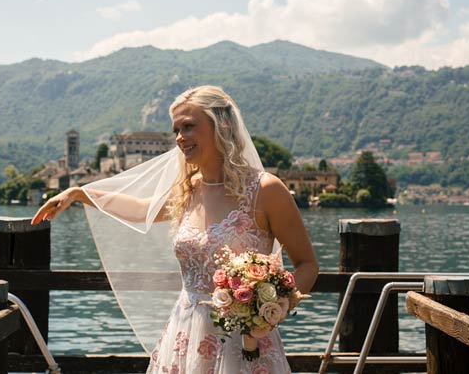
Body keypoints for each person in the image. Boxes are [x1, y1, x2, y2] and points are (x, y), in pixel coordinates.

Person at [32, 85, 319, 374]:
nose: (180, 138)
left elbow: (307, 265)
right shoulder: (188, 191)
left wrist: (269, 312)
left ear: (223, 125)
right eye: (176, 130)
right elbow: (141, 209)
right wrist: (80, 194)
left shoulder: (265, 190)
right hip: (185, 337)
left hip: (245, 341)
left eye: (189, 126)